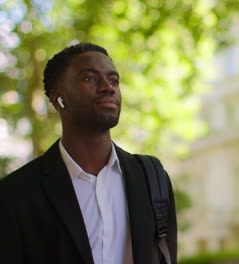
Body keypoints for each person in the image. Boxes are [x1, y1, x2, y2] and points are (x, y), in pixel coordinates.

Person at [0, 43, 177, 264]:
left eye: (114, 80)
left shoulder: (152, 177)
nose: (107, 87)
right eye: (89, 78)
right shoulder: (15, 195)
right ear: (58, 98)